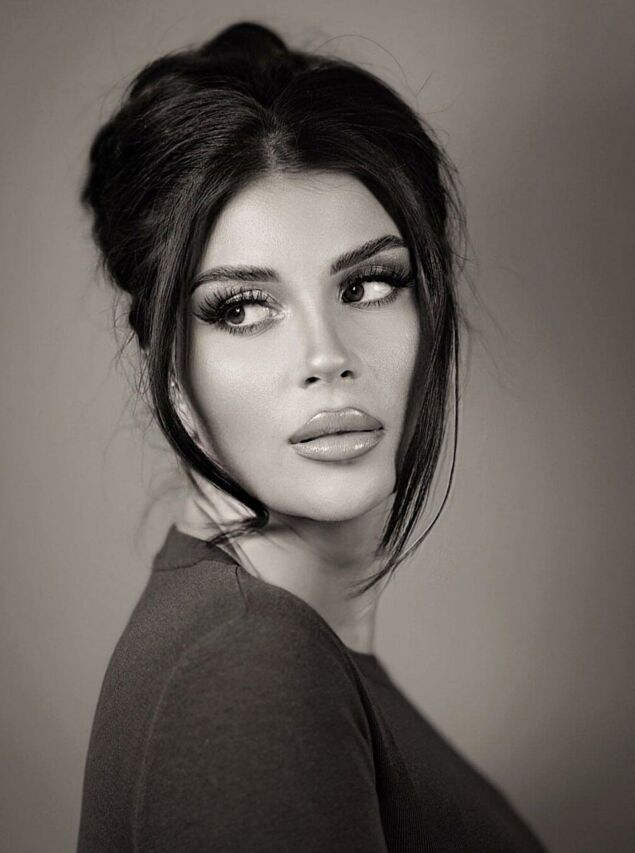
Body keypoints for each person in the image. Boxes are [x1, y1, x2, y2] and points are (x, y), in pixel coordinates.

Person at [77, 21, 547, 852]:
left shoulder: (267, 644)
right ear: (166, 360)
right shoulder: (245, 667)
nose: (327, 356)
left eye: (368, 284)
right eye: (242, 308)